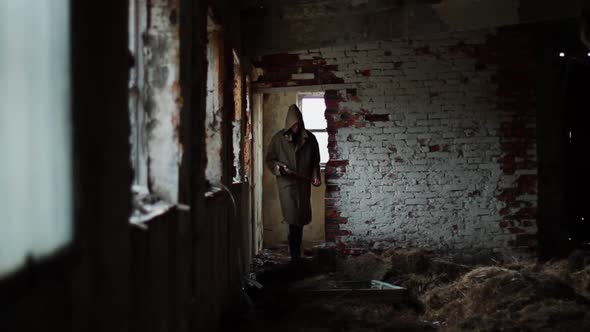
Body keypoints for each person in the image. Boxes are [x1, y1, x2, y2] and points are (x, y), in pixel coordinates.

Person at [266, 104, 321, 262]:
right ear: (288, 124)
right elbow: (270, 160)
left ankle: (297, 252)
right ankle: (294, 254)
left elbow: (315, 162)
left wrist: (316, 176)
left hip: (303, 186)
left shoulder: (310, 139)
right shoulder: (278, 139)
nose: (296, 128)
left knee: (301, 219)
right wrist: (279, 167)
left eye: (298, 124)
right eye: (293, 124)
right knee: (292, 218)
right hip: (287, 185)